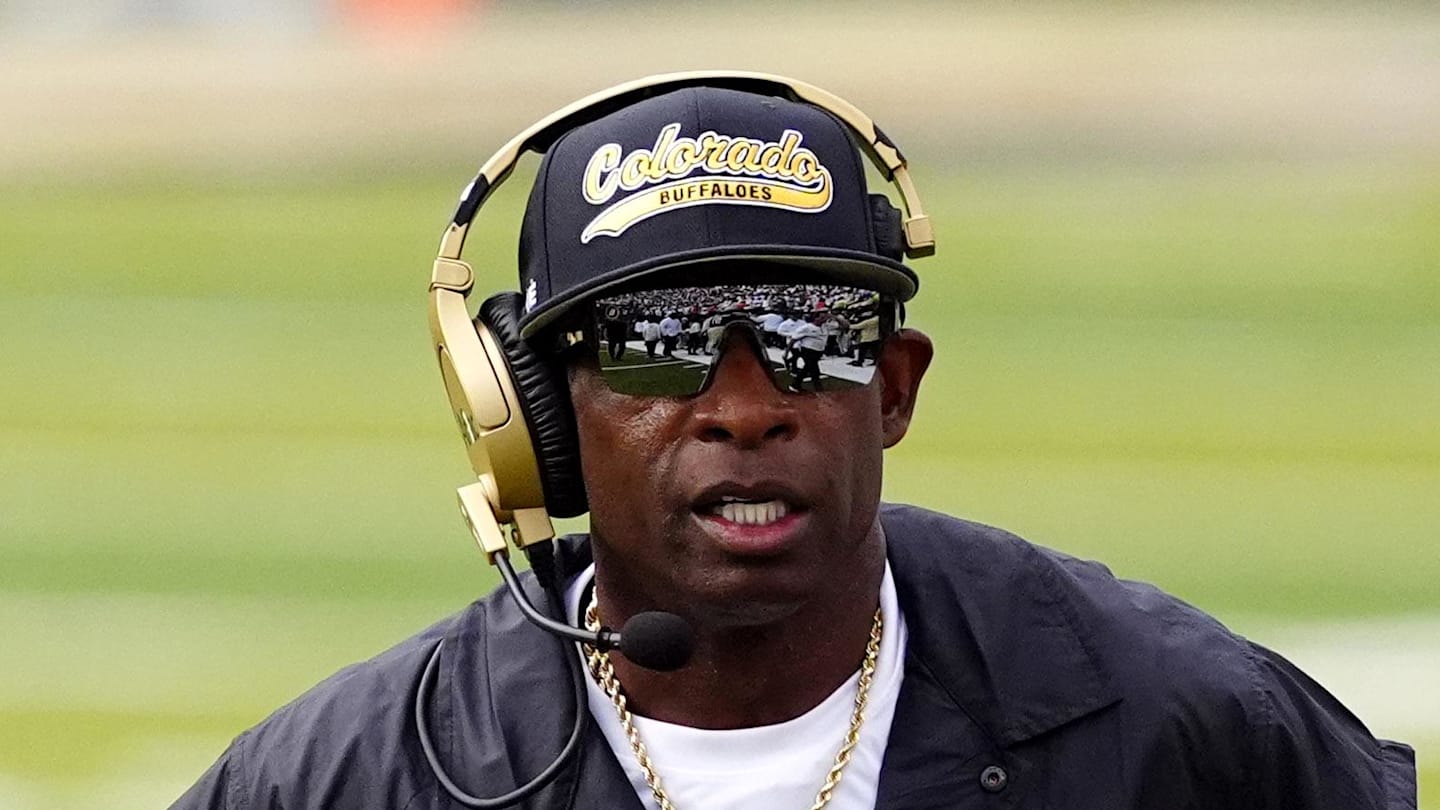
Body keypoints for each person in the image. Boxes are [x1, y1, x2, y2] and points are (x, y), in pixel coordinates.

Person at [173, 77, 1415, 810]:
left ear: (894, 390)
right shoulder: (355, 777)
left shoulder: (1170, 714)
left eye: (809, 333)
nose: (743, 405)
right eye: (659, 342)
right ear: (536, 416)